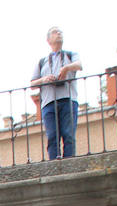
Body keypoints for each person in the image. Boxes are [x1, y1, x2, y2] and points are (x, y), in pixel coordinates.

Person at [30, 26, 82, 160]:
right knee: (52, 136)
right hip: (48, 102)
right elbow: (32, 84)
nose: (58, 33)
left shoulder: (70, 55)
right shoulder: (42, 62)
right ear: (48, 40)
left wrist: (66, 68)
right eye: (55, 32)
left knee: (68, 134)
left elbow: (80, 65)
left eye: (60, 32)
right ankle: (54, 163)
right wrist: (45, 79)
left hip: (68, 99)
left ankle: (69, 162)